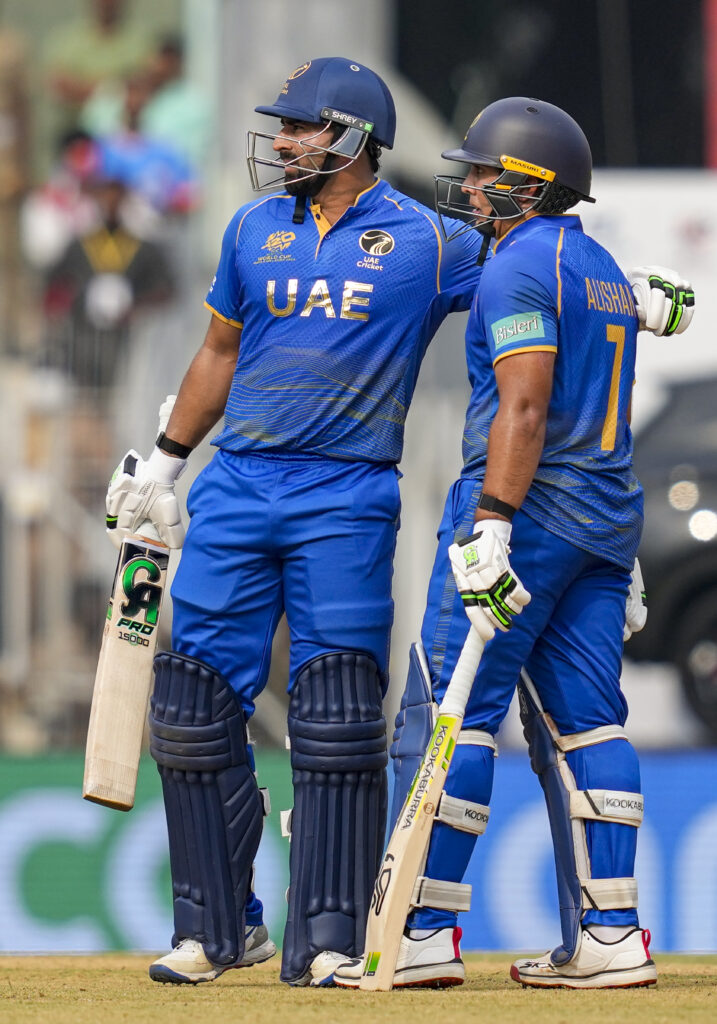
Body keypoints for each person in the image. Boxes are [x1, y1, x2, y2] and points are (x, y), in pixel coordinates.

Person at [104, 60, 692, 989]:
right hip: (239, 483)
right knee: (189, 707)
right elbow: (218, 348)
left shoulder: (433, 240)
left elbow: (534, 273)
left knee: (345, 716)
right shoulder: (253, 228)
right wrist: (166, 460)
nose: (282, 141)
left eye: (298, 126)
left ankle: (345, 934)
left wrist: (626, 285)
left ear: (346, 135)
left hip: (352, 494)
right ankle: (218, 929)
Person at [333, 98, 694, 990]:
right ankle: (610, 933)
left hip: (525, 514)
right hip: (604, 518)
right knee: (588, 723)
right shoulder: (602, 265)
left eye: (488, 174)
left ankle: (419, 930)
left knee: (448, 714)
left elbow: (524, 406)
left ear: (531, 185)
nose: (473, 187)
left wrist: (492, 519)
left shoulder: (514, 266)